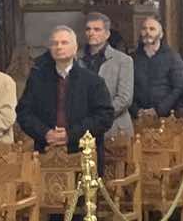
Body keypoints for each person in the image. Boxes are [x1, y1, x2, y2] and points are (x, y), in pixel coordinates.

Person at [17, 25, 114, 154]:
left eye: (64, 43)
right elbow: (24, 113)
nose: (59, 47)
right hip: (46, 150)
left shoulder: (93, 81)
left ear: (75, 48)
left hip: (84, 152)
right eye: (55, 43)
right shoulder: (37, 79)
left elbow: (104, 117)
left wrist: (70, 134)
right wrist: (46, 133)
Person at [81, 13, 133, 137]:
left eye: (97, 29)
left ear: (107, 34)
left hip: (115, 128)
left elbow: (124, 99)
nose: (91, 33)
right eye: (88, 29)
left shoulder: (123, 60)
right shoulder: (77, 60)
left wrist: (100, 117)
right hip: (83, 127)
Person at [131, 16, 183, 117]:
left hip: (166, 116)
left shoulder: (173, 57)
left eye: (152, 29)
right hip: (138, 115)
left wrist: (158, 110)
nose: (147, 32)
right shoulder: (132, 58)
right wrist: (136, 110)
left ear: (161, 34)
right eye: (144, 29)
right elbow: (128, 87)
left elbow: (178, 88)